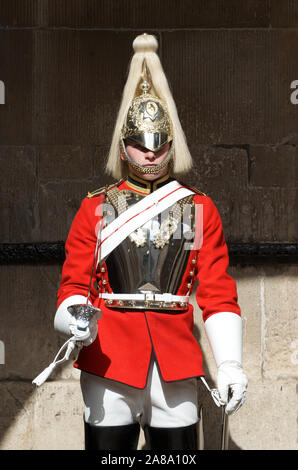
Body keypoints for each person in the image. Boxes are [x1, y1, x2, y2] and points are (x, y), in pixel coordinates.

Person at [54, 33, 248, 451]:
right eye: (140, 145)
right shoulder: (94, 208)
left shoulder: (198, 207)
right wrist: (75, 320)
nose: (150, 155)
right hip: (109, 356)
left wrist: (230, 364)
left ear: (170, 145)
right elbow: (73, 286)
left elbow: (216, 292)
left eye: (159, 145)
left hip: (175, 358)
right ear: (124, 148)